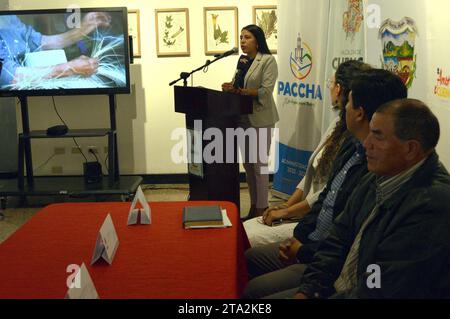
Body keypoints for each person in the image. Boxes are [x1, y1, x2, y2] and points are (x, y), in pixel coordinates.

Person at [243, 69, 408, 299]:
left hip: (327, 265)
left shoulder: (384, 173)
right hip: (316, 249)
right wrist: (299, 238)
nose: (343, 108)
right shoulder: (352, 144)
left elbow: (351, 250)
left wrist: (304, 257)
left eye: (348, 102)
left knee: (254, 291)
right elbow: (327, 198)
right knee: (248, 260)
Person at [293, 99, 450, 299]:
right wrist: (309, 290)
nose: (366, 144)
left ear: (410, 149)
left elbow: (382, 288)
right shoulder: (377, 176)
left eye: (378, 136)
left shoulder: (432, 206)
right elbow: (337, 239)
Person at [243, 60, 372, 247]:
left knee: (248, 236)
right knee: (247, 229)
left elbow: (327, 193)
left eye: (331, 83)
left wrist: (288, 212)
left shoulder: (354, 139)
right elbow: (310, 175)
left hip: (313, 218)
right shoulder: (337, 124)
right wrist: (287, 206)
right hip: (304, 214)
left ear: (339, 89)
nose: (329, 87)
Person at [222, 24, 278, 219]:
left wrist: (241, 92)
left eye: (247, 37)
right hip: (242, 118)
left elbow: (265, 91)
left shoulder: (268, 61)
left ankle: (263, 208)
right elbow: (238, 83)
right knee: (248, 165)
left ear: (257, 40)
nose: (242, 41)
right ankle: (253, 206)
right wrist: (231, 87)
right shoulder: (243, 61)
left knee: (259, 166)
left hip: (261, 118)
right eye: (241, 37)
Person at [0, 12, 111, 86]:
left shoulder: (7, 17)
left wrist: (81, 30)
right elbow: (8, 76)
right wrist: (70, 68)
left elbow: (33, 41)